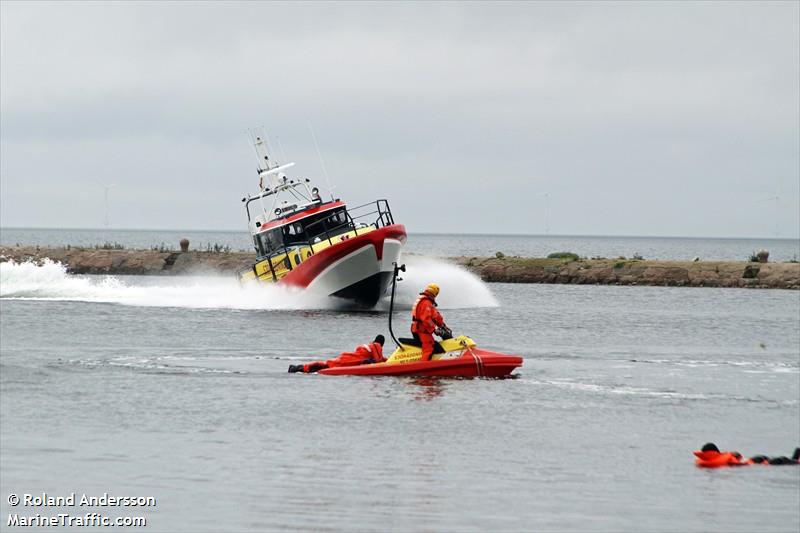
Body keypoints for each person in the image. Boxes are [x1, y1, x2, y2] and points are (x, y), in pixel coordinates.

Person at [288, 335, 385, 373]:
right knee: (326, 366)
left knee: (326, 365)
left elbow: (380, 359)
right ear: (381, 343)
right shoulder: (376, 345)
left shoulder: (369, 346)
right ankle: (297, 368)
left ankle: (297, 368)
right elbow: (378, 360)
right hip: (348, 361)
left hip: (347, 358)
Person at [411, 283, 448, 361]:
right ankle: (423, 368)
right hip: (421, 330)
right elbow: (426, 319)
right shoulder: (426, 303)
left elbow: (436, 316)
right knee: (428, 349)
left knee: (435, 346)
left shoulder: (428, 301)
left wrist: (443, 326)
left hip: (422, 329)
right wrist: (435, 329)